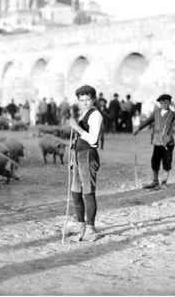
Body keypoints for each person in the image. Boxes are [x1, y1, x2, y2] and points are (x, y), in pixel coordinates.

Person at [62, 85, 104, 242]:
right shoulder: (84, 113)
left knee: (88, 192)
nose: (85, 103)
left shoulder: (96, 115)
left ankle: (90, 230)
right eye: (81, 100)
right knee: (75, 190)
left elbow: (93, 139)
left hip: (88, 155)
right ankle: (80, 224)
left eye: (88, 100)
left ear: (93, 100)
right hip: (78, 155)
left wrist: (77, 127)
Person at [133, 93, 175, 189]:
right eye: (162, 103)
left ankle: (164, 183)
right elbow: (147, 121)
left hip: (168, 143)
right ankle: (155, 182)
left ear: (169, 103)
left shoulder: (172, 114)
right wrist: (138, 128)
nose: (164, 104)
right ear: (159, 103)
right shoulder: (156, 113)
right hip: (157, 142)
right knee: (154, 162)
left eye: (166, 102)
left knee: (166, 163)